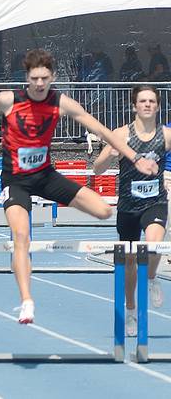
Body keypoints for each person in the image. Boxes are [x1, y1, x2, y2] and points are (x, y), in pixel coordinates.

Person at [0, 49, 158, 325]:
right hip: (16, 181)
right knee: (21, 236)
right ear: (27, 77)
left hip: (46, 176)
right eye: (34, 78)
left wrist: (135, 157)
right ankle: (26, 301)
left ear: (53, 77)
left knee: (104, 211)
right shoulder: (8, 100)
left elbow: (102, 131)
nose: (39, 84)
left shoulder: (61, 102)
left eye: (44, 78)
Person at [93, 85, 168, 336]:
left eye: (151, 101)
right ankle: (131, 311)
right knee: (130, 262)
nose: (147, 105)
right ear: (134, 106)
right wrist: (109, 155)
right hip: (128, 206)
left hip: (154, 201)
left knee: (154, 245)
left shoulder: (165, 135)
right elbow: (97, 169)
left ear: (158, 106)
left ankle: (152, 278)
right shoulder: (121, 135)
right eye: (142, 101)